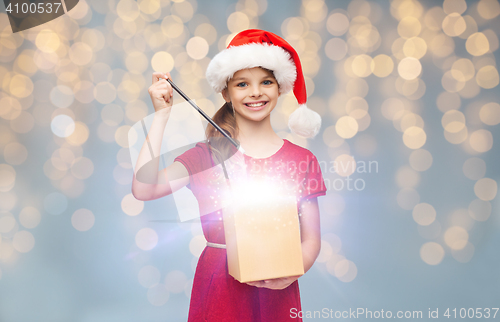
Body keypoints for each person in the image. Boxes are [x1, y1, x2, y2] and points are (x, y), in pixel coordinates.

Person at [132, 29, 327, 322]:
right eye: (242, 84)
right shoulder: (206, 156)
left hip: (279, 290)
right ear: (226, 92)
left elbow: (311, 239)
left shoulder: (302, 160)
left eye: (266, 82)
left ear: (280, 88)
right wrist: (161, 116)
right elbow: (144, 189)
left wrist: (292, 272)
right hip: (219, 291)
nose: (256, 92)